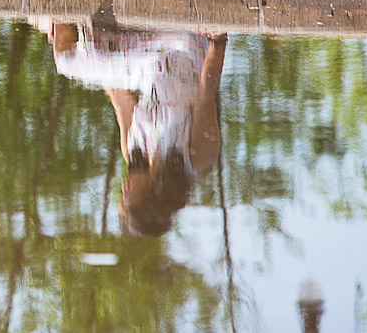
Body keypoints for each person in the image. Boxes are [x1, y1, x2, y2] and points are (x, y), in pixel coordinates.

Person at [35, 14, 226, 237]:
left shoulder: (133, 155)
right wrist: (218, 40)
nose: (122, 190)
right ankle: (69, 21)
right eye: (127, 198)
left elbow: (119, 96)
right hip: (181, 47)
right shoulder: (196, 160)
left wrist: (86, 57)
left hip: (141, 63)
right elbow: (207, 91)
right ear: (151, 198)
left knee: (68, 62)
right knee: (92, 53)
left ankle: (63, 16)